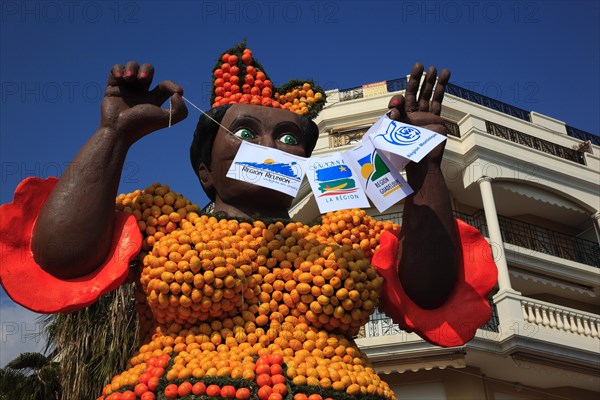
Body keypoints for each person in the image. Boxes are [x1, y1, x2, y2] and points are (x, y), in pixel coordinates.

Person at [0, 45, 496, 399]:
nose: (268, 146)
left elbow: (433, 292)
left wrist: (425, 162)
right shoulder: (164, 221)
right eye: (243, 130)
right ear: (204, 169)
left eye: (287, 138)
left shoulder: (346, 237)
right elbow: (61, 258)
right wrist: (115, 133)